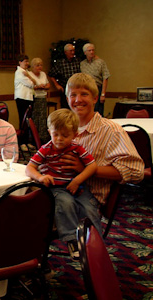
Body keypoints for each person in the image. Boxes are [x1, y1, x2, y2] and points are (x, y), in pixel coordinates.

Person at [61, 73, 144, 258]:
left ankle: (95, 263)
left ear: (95, 98)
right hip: (60, 191)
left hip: (88, 200)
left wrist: (88, 170)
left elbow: (136, 171)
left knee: (31, 211)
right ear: (67, 99)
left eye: (84, 94)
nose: (77, 100)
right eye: (73, 95)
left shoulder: (110, 130)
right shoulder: (63, 128)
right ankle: (28, 266)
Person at [25, 108, 97, 259]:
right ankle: (72, 240)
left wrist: (78, 180)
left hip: (77, 186)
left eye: (65, 135)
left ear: (75, 135)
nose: (59, 139)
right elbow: (30, 167)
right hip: (56, 188)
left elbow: (92, 166)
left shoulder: (77, 148)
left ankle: (95, 244)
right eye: (55, 134)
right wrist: (40, 177)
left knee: (90, 208)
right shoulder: (46, 149)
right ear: (49, 132)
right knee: (65, 203)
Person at [80, 43, 110, 116]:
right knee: (88, 112)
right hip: (86, 90)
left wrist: (103, 94)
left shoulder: (100, 62)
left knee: (98, 113)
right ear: (85, 53)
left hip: (97, 89)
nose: (92, 52)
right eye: (89, 50)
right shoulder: (82, 64)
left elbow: (105, 77)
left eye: (93, 50)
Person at [48, 43, 81, 109]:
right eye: (70, 51)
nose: (73, 52)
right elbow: (51, 74)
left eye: (73, 50)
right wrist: (57, 85)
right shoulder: (61, 63)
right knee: (65, 109)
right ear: (65, 52)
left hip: (77, 88)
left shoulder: (77, 61)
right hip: (65, 89)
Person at [29, 57, 50, 144]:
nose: (39, 67)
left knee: (42, 118)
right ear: (33, 66)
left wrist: (44, 87)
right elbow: (29, 86)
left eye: (41, 65)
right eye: (37, 65)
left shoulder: (43, 74)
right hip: (34, 98)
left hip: (42, 98)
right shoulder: (29, 74)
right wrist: (38, 87)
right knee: (35, 118)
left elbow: (48, 85)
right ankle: (34, 138)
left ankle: (43, 138)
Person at [14, 54, 36, 130]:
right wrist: (31, 79)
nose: (27, 63)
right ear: (20, 62)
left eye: (27, 61)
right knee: (23, 119)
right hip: (22, 98)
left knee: (28, 119)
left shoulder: (26, 72)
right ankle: (23, 140)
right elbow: (31, 84)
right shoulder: (19, 72)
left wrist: (29, 77)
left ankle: (27, 139)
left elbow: (35, 82)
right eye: (25, 61)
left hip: (28, 98)